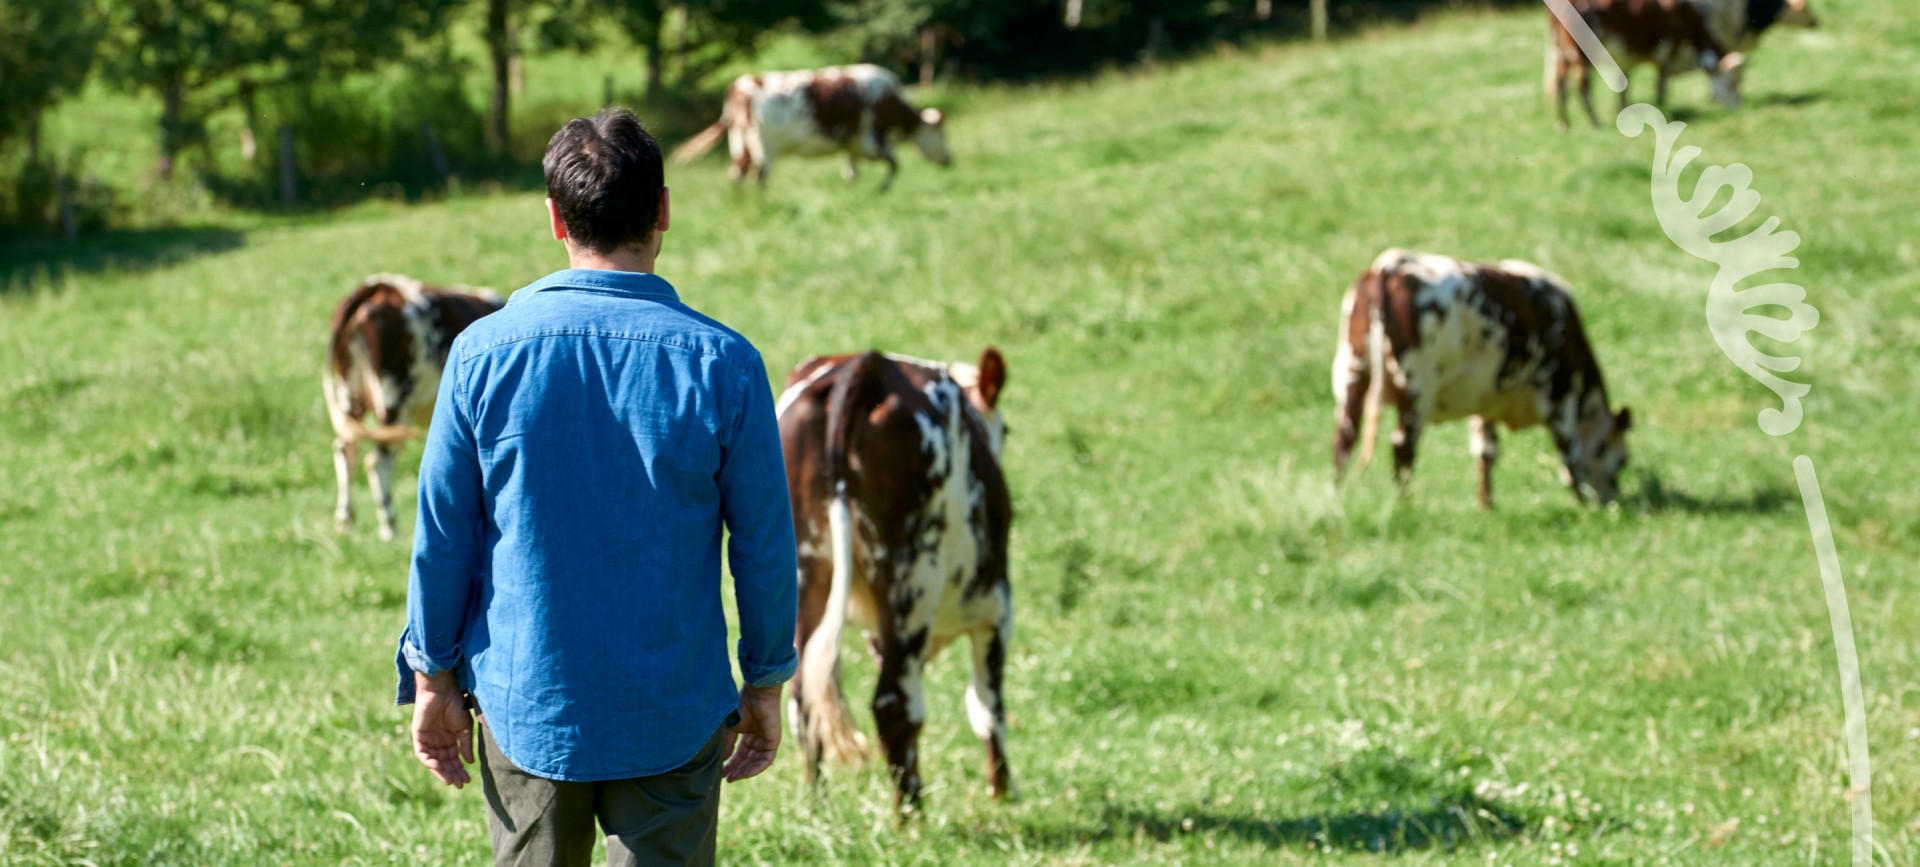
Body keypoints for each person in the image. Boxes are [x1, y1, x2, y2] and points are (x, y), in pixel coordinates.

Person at [393, 107, 798, 866]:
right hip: (675, 711)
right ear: (665, 209)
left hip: (528, 702)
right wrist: (768, 680)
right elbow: (766, 548)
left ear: (554, 218)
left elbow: (442, 534)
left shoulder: (480, 355)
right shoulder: (727, 364)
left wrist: (432, 675)